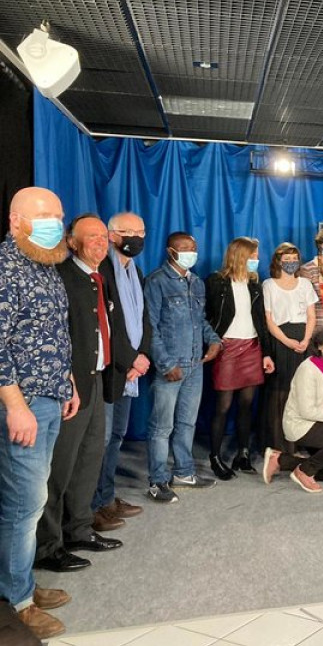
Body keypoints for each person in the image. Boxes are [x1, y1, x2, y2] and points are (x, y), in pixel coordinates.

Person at [0, 187, 77, 640]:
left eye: (58, 214)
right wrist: (16, 407)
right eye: (44, 215)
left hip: (50, 397)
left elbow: (51, 332)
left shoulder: (46, 263)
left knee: (34, 501)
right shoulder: (7, 269)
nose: (54, 222)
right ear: (16, 222)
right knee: (24, 507)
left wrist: (65, 381)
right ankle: (17, 602)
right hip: (22, 406)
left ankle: (20, 581)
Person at [36, 215, 123, 573]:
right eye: (92, 238)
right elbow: (57, 336)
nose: (100, 243)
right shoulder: (62, 276)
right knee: (59, 469)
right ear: (72, 242)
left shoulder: (98, 278)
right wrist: (66, 378)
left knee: (89, 460)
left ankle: (79, 529)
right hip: (70, 385)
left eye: (104, 237)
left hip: (97, 378)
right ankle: (48, 547)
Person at [144, 232, 222, 503]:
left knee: (187, 422)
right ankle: (157, 481)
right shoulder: (156, 282)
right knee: (161, 426)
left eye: (194, 247)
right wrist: (165, 363)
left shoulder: (197, 283)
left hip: (195, 364)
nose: (191, 252)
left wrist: (214, 342)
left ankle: (184, 472)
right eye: (185, 248)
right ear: (171, 251)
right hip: (171, 366)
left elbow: (200, 322)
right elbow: (149, 327)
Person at [90, 212, 151, 533]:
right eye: (129, 232)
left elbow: (143, 317)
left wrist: (143, 354)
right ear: (112, 235)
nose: (136, 238)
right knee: (100, 441)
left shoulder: (134, 270)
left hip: (130, 368)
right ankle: (93, 507)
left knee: (116, 437)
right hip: (111, 371)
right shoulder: (102, 269)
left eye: (141, 232)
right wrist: (131, 359)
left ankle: (107, 497)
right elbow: (108, 325)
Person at [205, 237, 275, 480]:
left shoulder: (256, 285)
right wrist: (213, 342)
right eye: (253, 256)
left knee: (246, 404)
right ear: (240, 256)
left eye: (257, 256)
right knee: (223, 406)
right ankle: (215, 457)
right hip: (227, 349)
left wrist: (266, 353)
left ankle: (242, 453)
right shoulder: (217, 282)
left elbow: (261, 324)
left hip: (252, 347)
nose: (257, 260)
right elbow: (207, 316)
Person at [262, 328, 323, 493]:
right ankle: (303, 472)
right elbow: (306, 411)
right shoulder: (307, 369)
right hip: (299, 424)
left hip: (319, 422)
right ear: (320, 346)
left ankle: (279, 460)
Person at [261, 243, 317, 454]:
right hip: (281, 341)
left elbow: (312, 315)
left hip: (304, 340)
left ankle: (302, 440)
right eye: (287, 259)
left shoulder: (305, 284)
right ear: (278, 261)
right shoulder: (269, 285)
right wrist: (287, 341)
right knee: (281, 393)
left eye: (294, 259)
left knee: (303, 392)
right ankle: (280, 445)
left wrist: (305, 339)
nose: (291, 263)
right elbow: (268, 319)